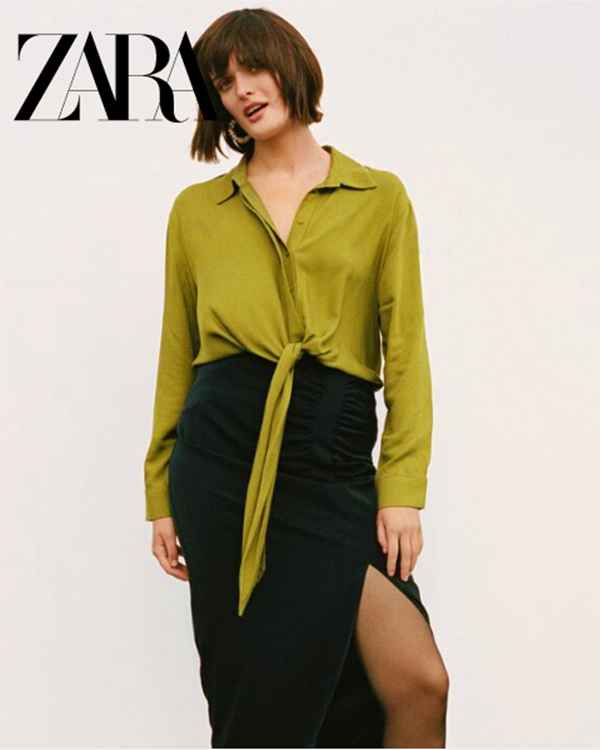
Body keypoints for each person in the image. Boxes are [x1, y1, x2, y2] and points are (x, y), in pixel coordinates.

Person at [143, 7, 450, 748]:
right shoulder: (197, 212)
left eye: (253, 68)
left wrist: (401, 488)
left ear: (291, 66)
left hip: (332, 451)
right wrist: (160, 495)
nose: (243, 90)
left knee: (418, 680)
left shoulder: (378, 197)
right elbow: (177, 355)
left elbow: (406, 351)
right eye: (223, 83)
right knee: (262, 699)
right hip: (223, 458)